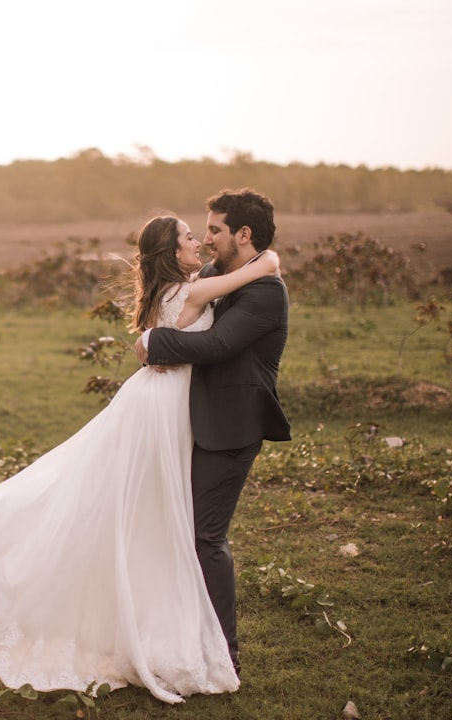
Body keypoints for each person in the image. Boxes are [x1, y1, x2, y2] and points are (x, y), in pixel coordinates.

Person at [0, 214, 279, 704]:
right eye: (188, 237)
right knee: (147, 513)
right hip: (162, 407)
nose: (197, 242)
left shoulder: (182, 285)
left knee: (144, 512)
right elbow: (251, 274)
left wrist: (152, 341)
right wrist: (269, 258)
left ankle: (144, 615)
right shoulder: (194, 290)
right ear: (172, 251)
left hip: (162, 399)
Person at [134, 188, 291, 676]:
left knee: (206, 538)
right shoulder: (212, 275)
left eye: (215, 230)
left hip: (231, 427)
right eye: (200, 232)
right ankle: (181, 635)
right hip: (190, 420)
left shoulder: (267, 291)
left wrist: (153, 340)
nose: (206, 239)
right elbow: (181, 298)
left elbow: (220, 344)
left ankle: (225, 653)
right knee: (180, 531)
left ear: (243, 234)